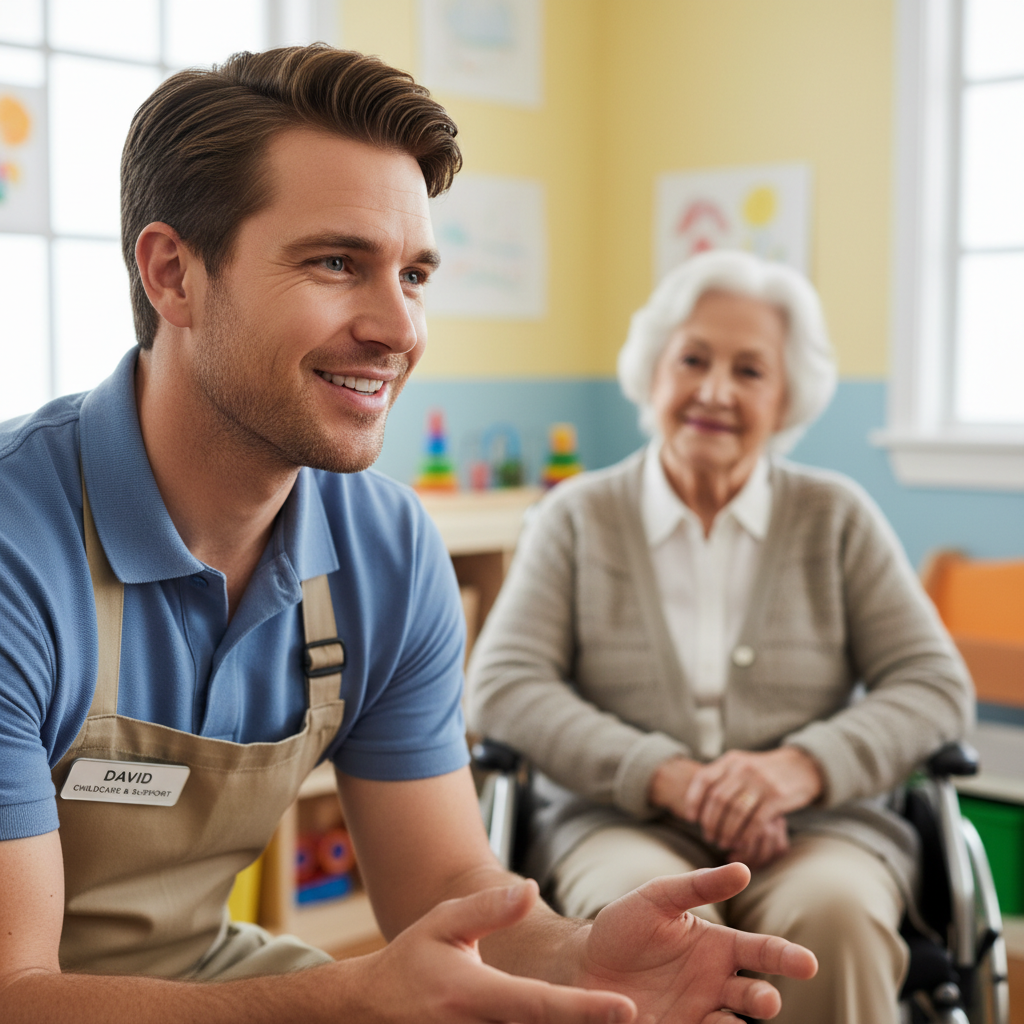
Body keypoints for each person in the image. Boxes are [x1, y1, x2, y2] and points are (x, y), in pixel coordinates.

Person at [0, 45, 818, 1024]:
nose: (399, 327)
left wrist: (575, 955)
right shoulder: (20, 542)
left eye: (416, 273)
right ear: (174, 274)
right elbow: (18, 992)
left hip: (199, 974)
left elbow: (442, 884)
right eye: (337, 262)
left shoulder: (385, 549)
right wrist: (349, 999)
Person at [467, 249, 975, 1024]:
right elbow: (504, 688)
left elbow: (934, 686)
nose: (714, 391)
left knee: (835, 920)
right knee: (654, 932)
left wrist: (799, 769)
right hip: (619, 823)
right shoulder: (576, 518)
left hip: (818, 828)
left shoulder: (836, 517)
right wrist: (664, 775)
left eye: (750, 371)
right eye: (693, 359)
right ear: (653, 370)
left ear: (788, 396)